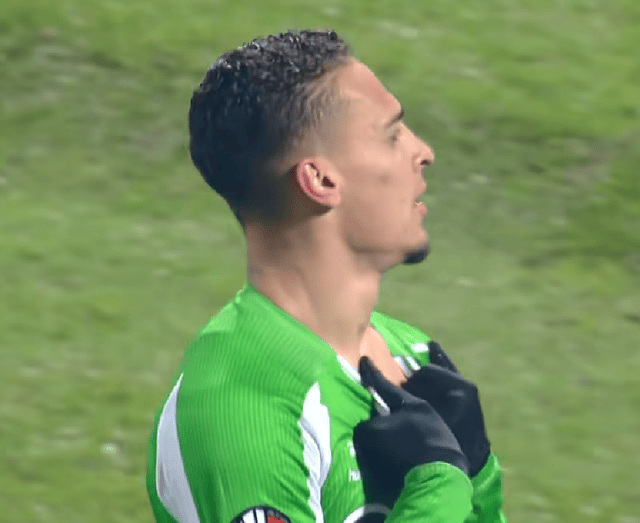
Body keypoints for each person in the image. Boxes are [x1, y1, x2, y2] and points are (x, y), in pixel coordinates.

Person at [146, 29, 507, 523]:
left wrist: (479, 476)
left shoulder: (414, 356)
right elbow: (439, 493)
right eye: (391, 135)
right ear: (320, 180)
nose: (424, 151)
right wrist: (439, 484)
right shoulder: (240, 405)